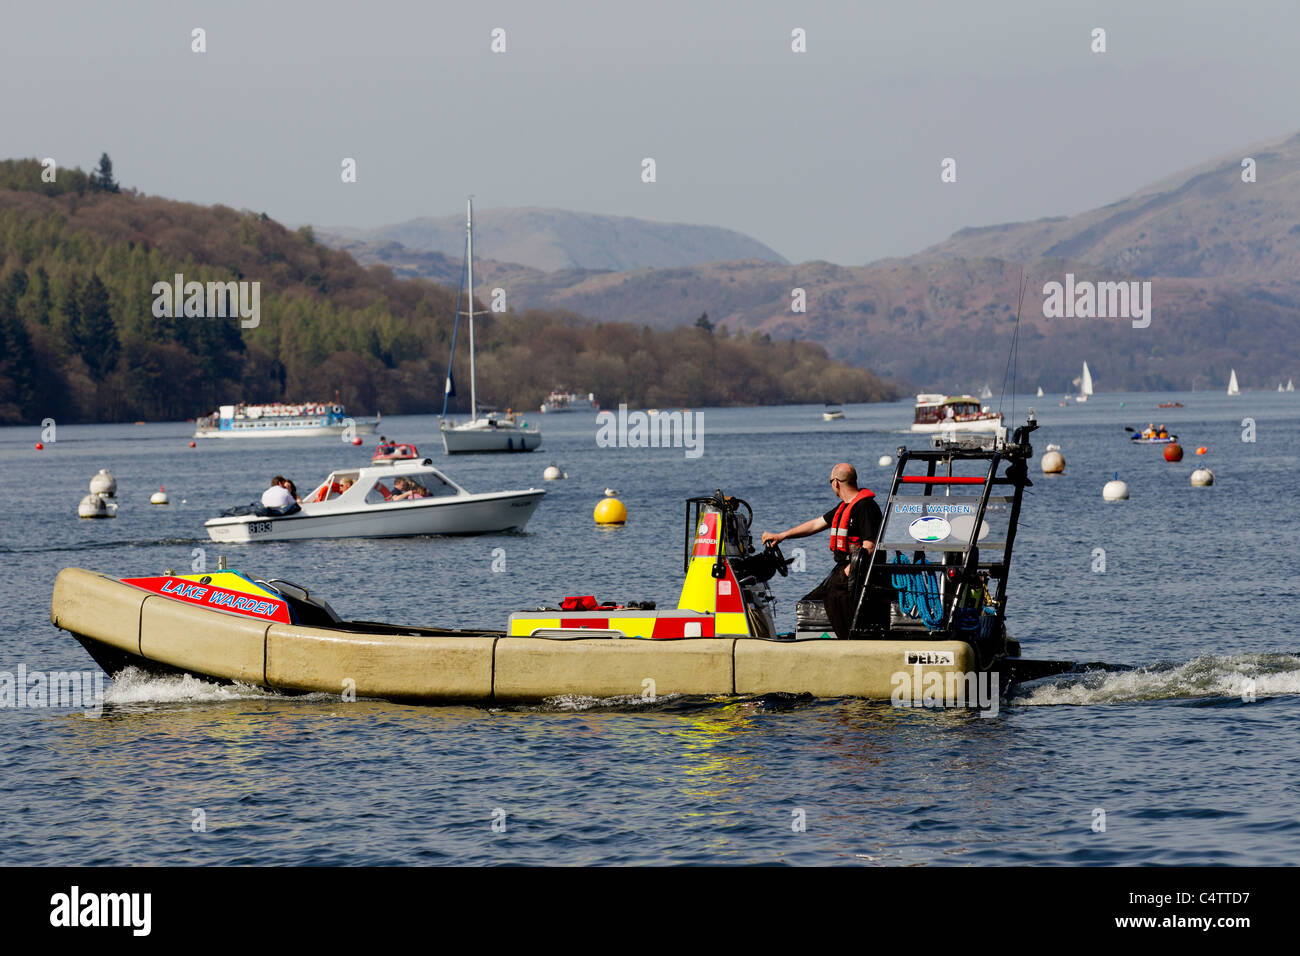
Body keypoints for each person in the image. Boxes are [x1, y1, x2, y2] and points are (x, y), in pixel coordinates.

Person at [762, 463, 883, 639]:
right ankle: (814, 641)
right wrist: (782, 535)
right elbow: (815, 524)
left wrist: (850, 571)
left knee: (836, 599)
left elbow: (869, 546)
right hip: (842, 569)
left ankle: (851, 640)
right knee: (808, 602)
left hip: (856, 573)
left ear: (836, 483)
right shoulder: (843, 507)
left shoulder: (866, 507)